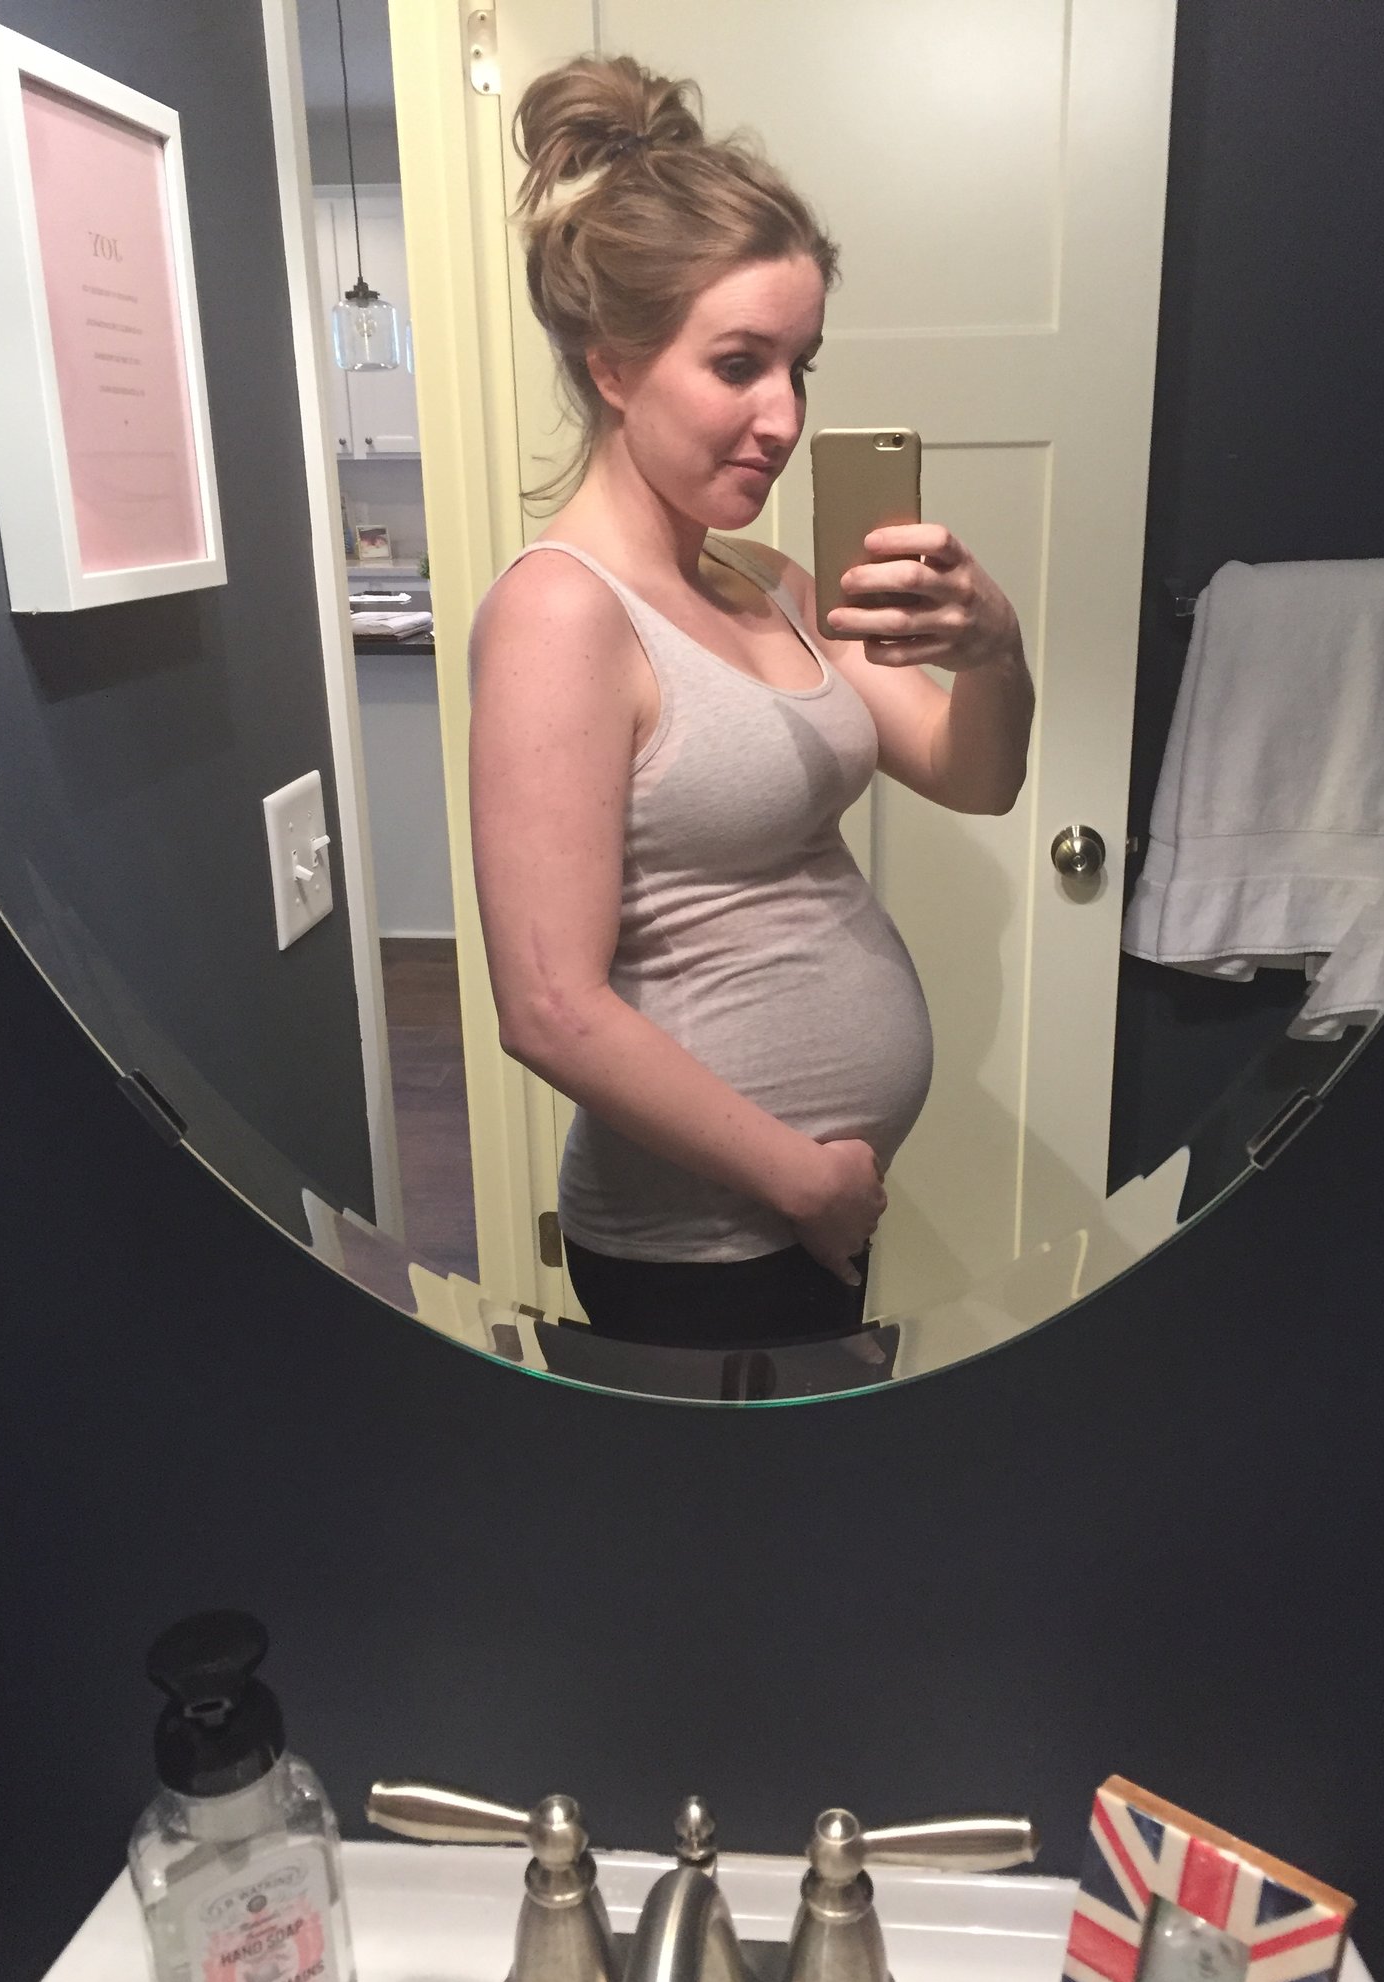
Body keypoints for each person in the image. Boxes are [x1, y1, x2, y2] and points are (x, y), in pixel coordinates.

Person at [468, 54, 1034, 1348]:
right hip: (702, 1244)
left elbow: (974, 776)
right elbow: (547, 1007)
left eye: (800, 365)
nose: (783, 416)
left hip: (810, 1218)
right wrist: (803, 1180)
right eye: (738, 365)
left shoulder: (771, 582)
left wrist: (994, 651)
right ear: (614, 368)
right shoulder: (562, 614)